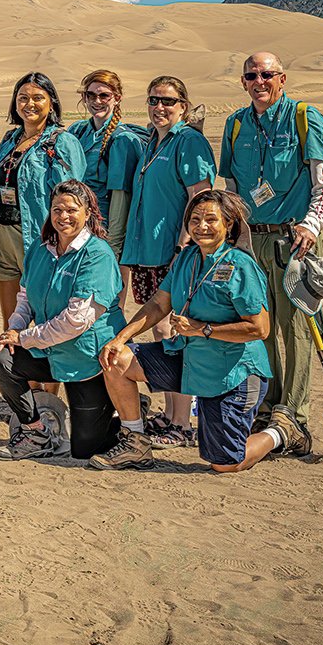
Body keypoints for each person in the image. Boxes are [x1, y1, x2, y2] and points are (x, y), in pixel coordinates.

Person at [96, 190, 306, 471]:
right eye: (195, 219)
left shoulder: (241, 266)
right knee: (116, 359)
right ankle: (136, 443)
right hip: (190, 359)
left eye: (211, 219)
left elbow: (259, 328)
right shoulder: (187, 258)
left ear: (229, 224)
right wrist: (120, 338)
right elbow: (159, 303)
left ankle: (280, 433)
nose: (201, 226)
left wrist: (202, 329)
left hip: (232, 373)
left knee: (225, 464)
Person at [219, 52, 323, 447]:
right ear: (243, 81)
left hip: (295, 240)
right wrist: (231, 234)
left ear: (281, 78)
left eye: (267, 74)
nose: (259, 81)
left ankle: (294, 414)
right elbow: (231, 187)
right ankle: (269, 404)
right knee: (260, 326)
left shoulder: (304, 118)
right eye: (252, 75)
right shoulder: (235, 125)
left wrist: (311, 225)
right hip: (252, 240)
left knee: (297, 328)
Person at [0, 181, 126, 460]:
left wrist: (24, 337)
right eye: (57, 209)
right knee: (2, 357)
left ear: (88, 212)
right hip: (51, 352)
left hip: (89, 359)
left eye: (72, 210)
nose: (64, 216)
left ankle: (130, 408)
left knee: (84, 450)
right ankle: (35, 432)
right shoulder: (41, 250)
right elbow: (25, 297)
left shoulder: (97, 254)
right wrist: (13, 329)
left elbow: (77, 320)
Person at [119, 76, 216, 447]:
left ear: (183, 107)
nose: (160, 108)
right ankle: (171, 415)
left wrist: (184, 248)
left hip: (174, 253)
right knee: (161, 331)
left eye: (169, 102)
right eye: (154, 100)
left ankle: (183, 423)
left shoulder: (188, 142)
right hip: (145, 250)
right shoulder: (152, 142)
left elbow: (201, 199)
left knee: (176, 331)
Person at [0, 72, 86, 327]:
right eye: (23, 98)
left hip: (39, 236)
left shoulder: (62, 142)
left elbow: (72, 201)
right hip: (4, 233)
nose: (29, 104)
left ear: (51, 103)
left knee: (46, 313)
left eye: (37, 98)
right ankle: (13, 363)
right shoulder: (10, 139)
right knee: (11, 321)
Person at [67, 69, 142, 265]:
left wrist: (112, 247)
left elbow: (120, 198)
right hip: (74, 225)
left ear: (116, 98)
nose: (96, 101)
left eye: (104, 95)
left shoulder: (122, 140)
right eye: (91, 95)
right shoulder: (77, 130)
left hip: (102, 229)